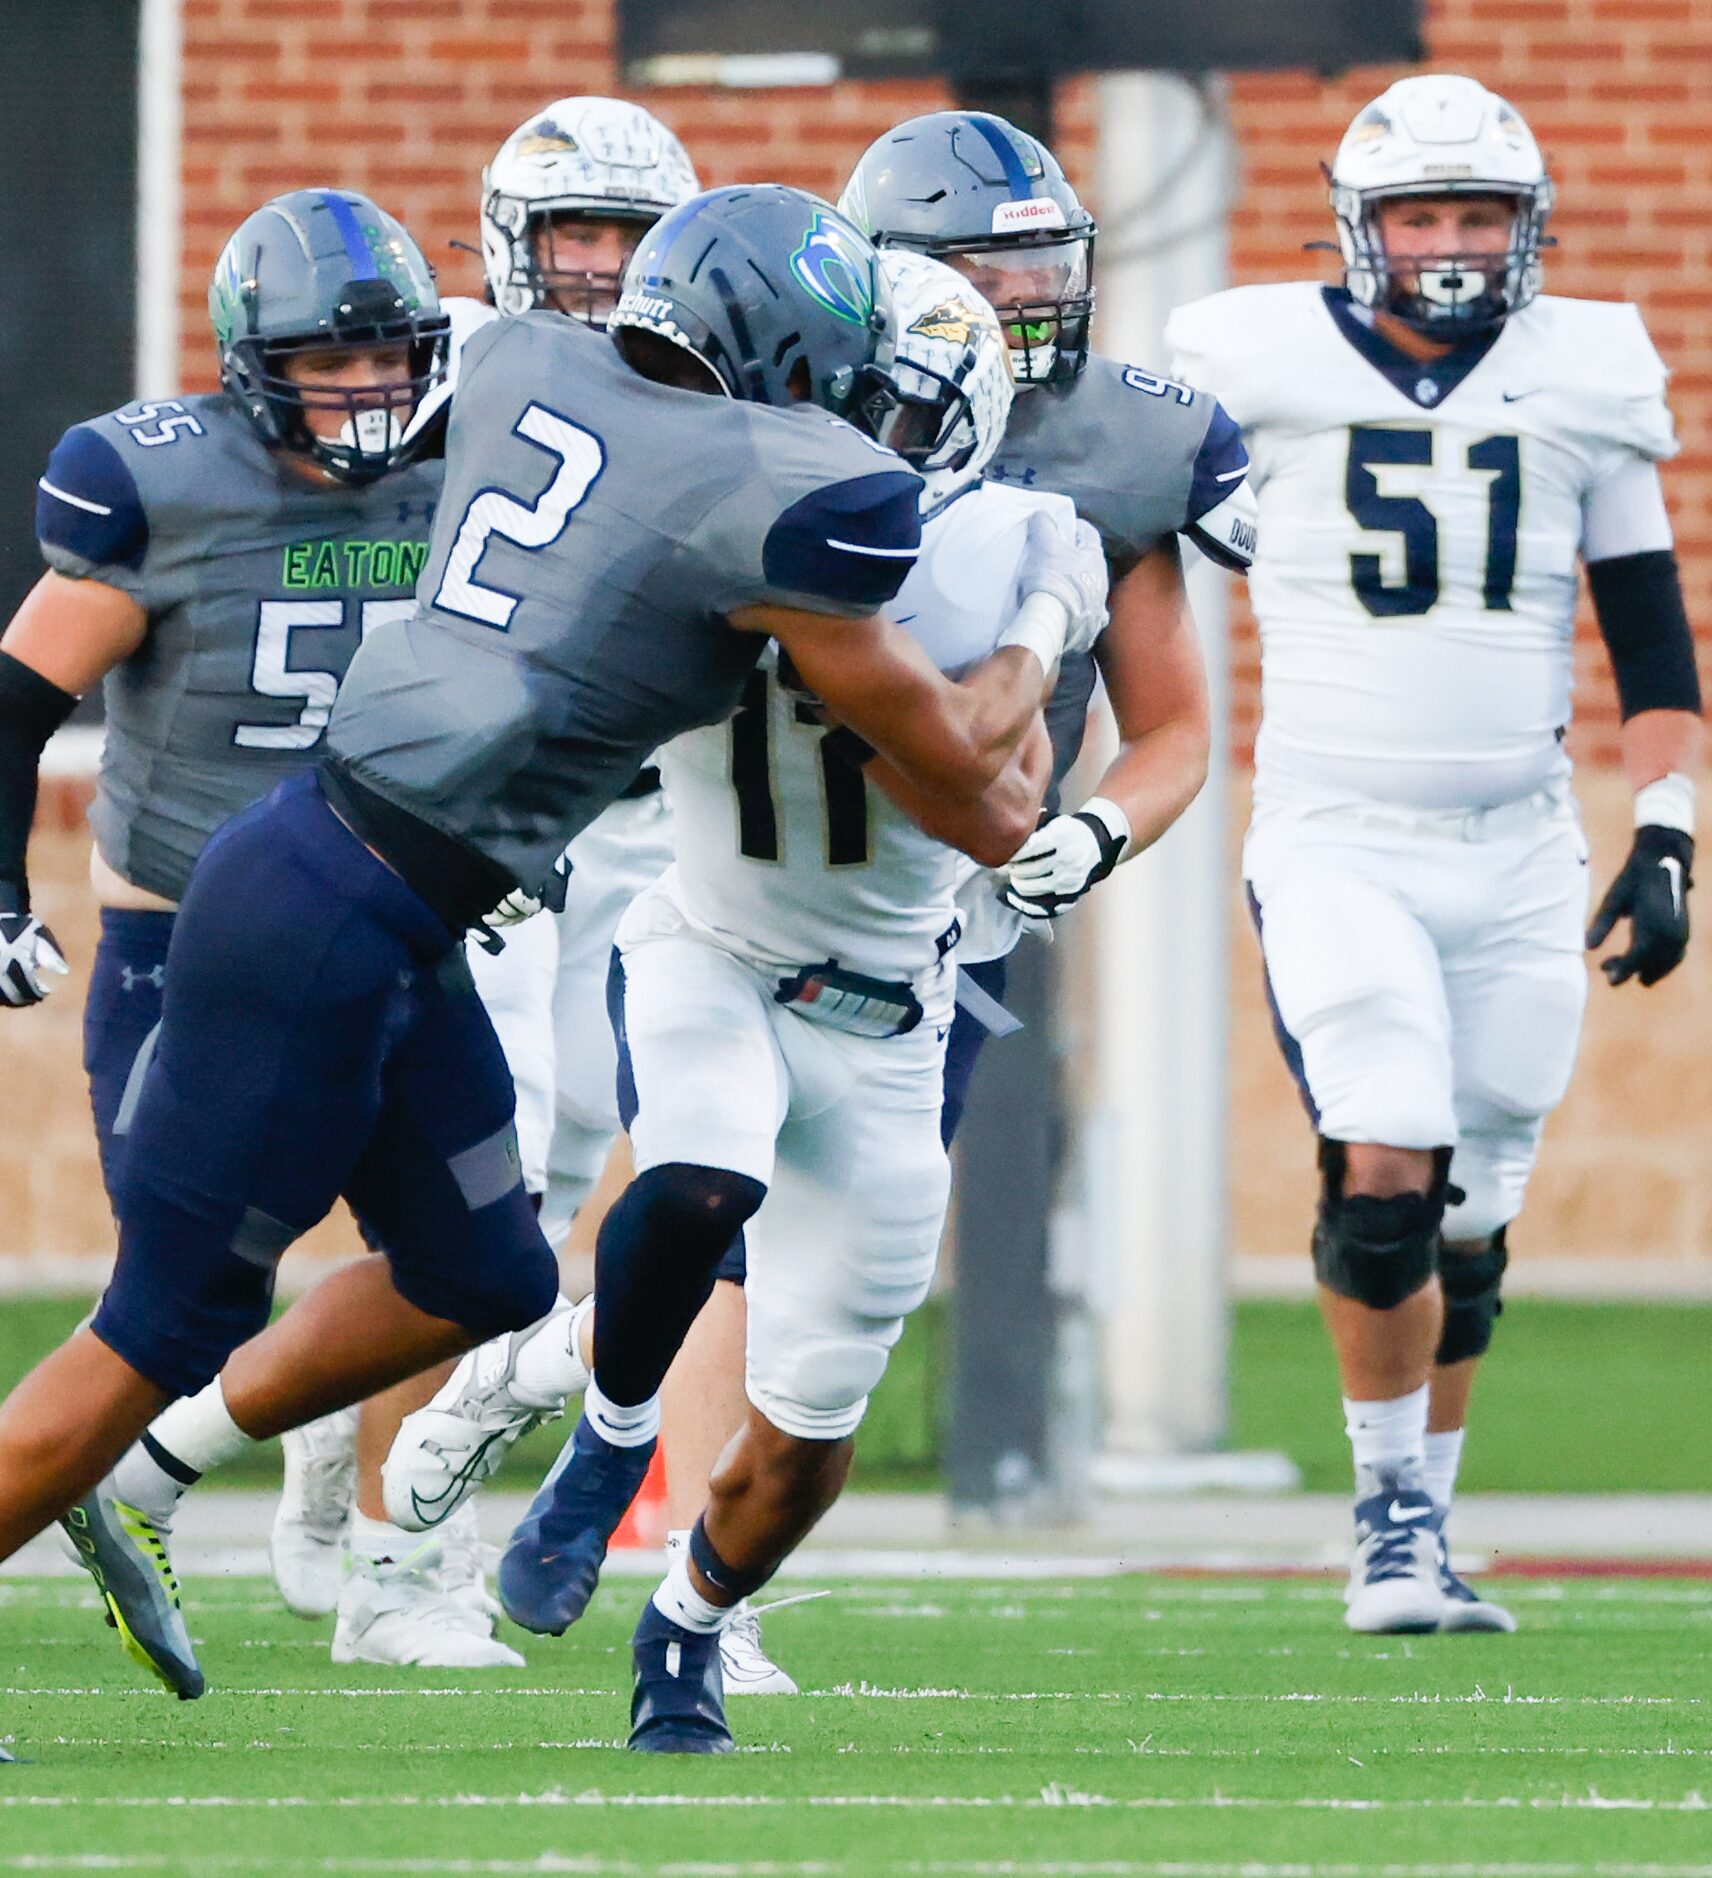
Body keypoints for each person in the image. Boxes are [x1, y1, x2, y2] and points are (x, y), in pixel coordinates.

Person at [0, 184, 1060, 1765]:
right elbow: (982, 800)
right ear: (788, 350)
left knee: (491, 1272)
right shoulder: (783, 485)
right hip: (320, 907)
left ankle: (142, 1466)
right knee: (169, 1309)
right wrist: (1044, 623)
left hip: (387, 898)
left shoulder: (524, 357)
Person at [376, 106, 1247, 1694]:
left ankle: (618, 1467)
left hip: (923, 948)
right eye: (968, 273)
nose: (1008, 303)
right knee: (705, 1196)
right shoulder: (739, 489)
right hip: (720, 907)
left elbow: (1135, 742)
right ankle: (630, 1498)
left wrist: (1095, 817)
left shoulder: (1070, 494)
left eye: (1030, 265)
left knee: (820, 1347)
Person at [511, 257, 1099, 1753]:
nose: (867, 432)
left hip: (893, 1013)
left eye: (901, 407)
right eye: (852, 398)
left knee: (810, 1444)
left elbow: (1002, 812)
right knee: (703, 1175)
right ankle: (609, 1442)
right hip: (712, 941)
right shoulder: (724, 518)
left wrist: (1028, 630)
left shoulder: (1001, 543)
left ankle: (689, 1628)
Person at [1168, 73, 1707, 1635]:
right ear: (1365, 228)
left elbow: (1655, 651)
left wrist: (1663, 832)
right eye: (1424, 213)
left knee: (1472, 1220)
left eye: (1481, 212)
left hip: (1521, 842)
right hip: (1338, 826)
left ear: (1526, 226)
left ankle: (1426, 1526)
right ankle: (1385, 1523)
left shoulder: (1589, 373)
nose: (1454, 243)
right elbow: (1129, 528)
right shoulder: (1241, 356)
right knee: (1387, 1151)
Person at [266, 93, 709, 1675]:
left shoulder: (714, 359)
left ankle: (334, 1431)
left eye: (627, 235)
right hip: (501, 816)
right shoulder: (444, 354)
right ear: (517, 243)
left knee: (587, 1152)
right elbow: (317, 528)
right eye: (574, 233)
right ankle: (406, 1566)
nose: (599, 268)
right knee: (495, 1189)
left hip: (658, 819)